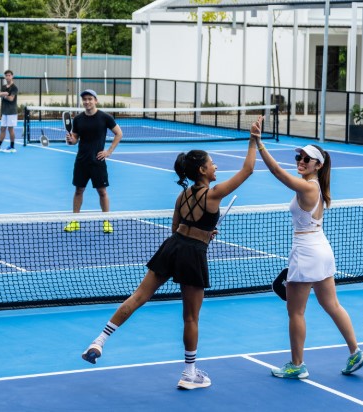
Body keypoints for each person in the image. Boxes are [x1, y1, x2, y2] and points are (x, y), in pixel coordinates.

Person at [80, 118, 260, 390]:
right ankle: (189, 373)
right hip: (191, 254)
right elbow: (248, 169)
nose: (216, 167)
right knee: (190, 317)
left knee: (138, 296)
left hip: (172, 246)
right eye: (212, 163)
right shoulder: (213, 195)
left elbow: (178, 227)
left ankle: (99, 340)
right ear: (202, 170)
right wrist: (253, 139)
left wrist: (202, 231)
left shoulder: (183, 195)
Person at [253, 137, 363, 379]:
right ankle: (355, 351)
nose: (301, 161)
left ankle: (297, 365)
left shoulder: (308, 187)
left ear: (318, 165)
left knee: (295, 311)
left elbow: (276, 172)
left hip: (306, 252)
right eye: (299, 157)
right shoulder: (317, 187)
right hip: (321, 250)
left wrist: (259, 144)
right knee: (332, 305)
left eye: (307, 159)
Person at [63, 89, 123, 234]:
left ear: (96, 100)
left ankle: (106, 221)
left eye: (90, 99)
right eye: (84, 99)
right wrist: (71, 141)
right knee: (78, 190)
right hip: (82, 161)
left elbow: (119, 133)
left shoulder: (105, 117)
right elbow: (75, 139)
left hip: (98, 162)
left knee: (102, 192)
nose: (87, 101)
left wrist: (109, 151)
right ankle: (75, 221)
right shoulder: (78, 119)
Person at [0, 69, 18, 153]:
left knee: (10, 129)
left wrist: (3, 95)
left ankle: (12, 147)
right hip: (4, 111)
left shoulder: (14, 88)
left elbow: (11, 99)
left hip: (11, 111)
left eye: (9, 75)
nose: (8, 77)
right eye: (6, 75)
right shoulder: (3, 87)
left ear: (12, 76)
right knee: (2, 129)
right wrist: (3, 93)